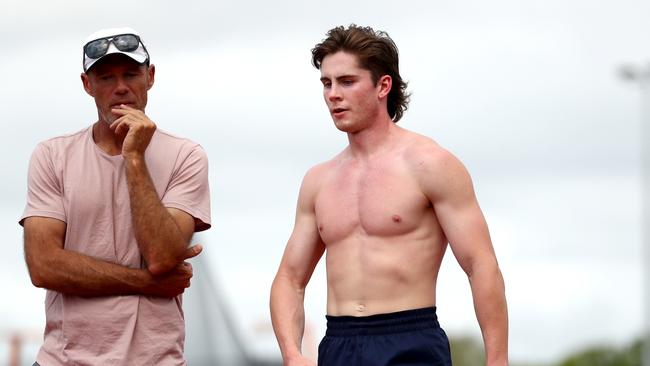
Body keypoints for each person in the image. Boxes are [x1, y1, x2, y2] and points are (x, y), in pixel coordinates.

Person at [270, 25, 508, 366]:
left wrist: (497, 360)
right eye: (326, 83)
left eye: (347, 81)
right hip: (338, 343)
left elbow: (481, 265)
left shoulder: (431, 165)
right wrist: (292, 355)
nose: (333, 94)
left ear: (383, 85)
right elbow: (289, 279)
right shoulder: (318, 181)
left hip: (410, 338)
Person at [20, 27, 211, 365]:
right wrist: (147, 284)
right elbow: (43, 266)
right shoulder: (52, 155)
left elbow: (162, 257)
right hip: (64, 359)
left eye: (131, 74)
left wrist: (134, 157)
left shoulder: (186, 155)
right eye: (106, 77)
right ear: (87, 85)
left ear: (150, 77)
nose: (120, 87)